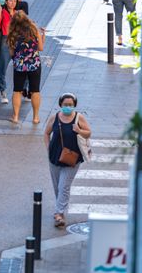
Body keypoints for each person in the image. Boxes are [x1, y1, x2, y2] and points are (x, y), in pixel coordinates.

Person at [43, 93, 91, 227]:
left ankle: (59, 213)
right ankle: (61, 209)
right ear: (60, 105)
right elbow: (46, 133)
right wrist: (48, 148)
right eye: (65, 105)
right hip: (54, 157)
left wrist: (79, 131)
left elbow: (89, 133)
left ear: (74, 105)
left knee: (64, 186)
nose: (68, 107)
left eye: (70, 105)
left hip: (72, 159)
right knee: (57, 186)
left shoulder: (79, 118)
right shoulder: (55, 118)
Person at [7, 11, 45, 124]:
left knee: (17, 90)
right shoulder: (34, 31)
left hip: (19, 65)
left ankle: (15, 116)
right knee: (35, 91)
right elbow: (40, 48)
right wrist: (43, 37)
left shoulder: (13, 33)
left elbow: (11, 52)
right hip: (34, 64)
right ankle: (36, 117)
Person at [0, 0, 18, 105]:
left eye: (14, 1)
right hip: (5, 40)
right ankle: (2, 91)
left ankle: (24, 89)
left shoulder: (18, 14)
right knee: (2, 67)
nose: (12, 3)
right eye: (10, 1)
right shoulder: (3, 12)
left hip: (17, 41)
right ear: (6, 2)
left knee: (22, 66)